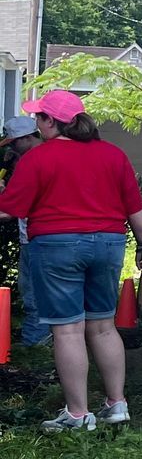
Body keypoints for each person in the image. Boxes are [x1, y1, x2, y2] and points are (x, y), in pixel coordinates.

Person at [0, 90, 142, 433]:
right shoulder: (113, 154)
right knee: (103, 325)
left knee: (68, 330)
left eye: (40, 119)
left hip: (57, 246)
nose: (37, 126)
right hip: (109, 243)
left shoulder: (39, 158)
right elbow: (135, 207)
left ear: (52, 122)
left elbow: (9, 208)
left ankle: (78, 413)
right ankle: (117, 404)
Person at [1, 115, 48, 347]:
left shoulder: (34, 162)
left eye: (13, 142)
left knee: (33, 292)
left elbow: (13, 208)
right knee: (32, 289)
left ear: (28, 138)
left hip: (37, 237)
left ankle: (36, 339)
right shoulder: (33, 159)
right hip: (33, 235)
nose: (11, 147)